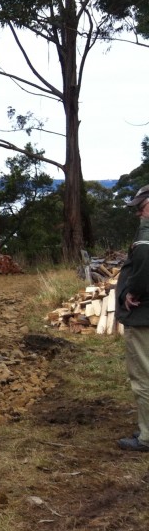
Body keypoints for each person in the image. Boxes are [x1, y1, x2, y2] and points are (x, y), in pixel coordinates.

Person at [115, 183, 149, 452]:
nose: (138, 214)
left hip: (143, 317)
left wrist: (132, 292)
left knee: (143, 377)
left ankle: (147, 436)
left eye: (141, 207)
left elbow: (144, 264)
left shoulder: (146, 236)